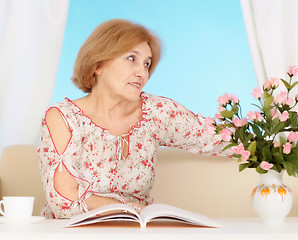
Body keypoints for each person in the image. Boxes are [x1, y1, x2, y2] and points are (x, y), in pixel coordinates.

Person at [38, 19, 228, 219]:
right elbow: (63, 199)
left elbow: (216, 138)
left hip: (134, 229)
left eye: (147, 64)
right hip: (73, 231)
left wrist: (262, 144)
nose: (142, 73)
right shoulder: (64, 117)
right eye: (131, 59)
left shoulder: (156, 112)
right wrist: (126, 209)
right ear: (98, 65)